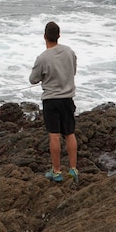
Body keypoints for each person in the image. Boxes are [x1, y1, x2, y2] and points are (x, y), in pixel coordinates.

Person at [29, 21, 79, 184]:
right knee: (70, 133)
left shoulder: (43, 58)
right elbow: (74, 70)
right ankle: (73, 169)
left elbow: (33, 80)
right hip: (67, 99)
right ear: (59, 35)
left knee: (54, 135)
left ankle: (56, 171)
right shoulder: (69, 52)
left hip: (51, 101)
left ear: (45, 36)